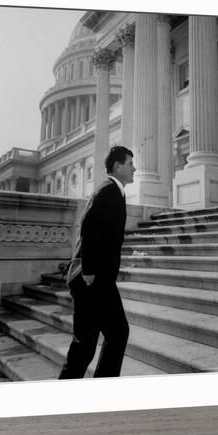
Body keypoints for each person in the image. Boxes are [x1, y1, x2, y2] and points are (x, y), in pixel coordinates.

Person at [58, 145, 136, 379]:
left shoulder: (113, 191)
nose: (135, 168)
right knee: (116, 333)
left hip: (92, 279)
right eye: (130, 163)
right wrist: (90, 271)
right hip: (92, 280)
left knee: (85, 346)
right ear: (118, 166)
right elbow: (88, 227)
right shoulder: (108, 191)